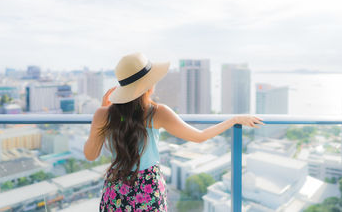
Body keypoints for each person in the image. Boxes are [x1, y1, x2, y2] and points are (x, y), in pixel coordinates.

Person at [83, 52, 265, 212]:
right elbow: (199, 137)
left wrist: (103, 113)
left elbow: (91, 155)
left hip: (115, 188)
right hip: (147, 189)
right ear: (149, 85)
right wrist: (234, 120)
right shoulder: (157, 113)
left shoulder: (103, 114)